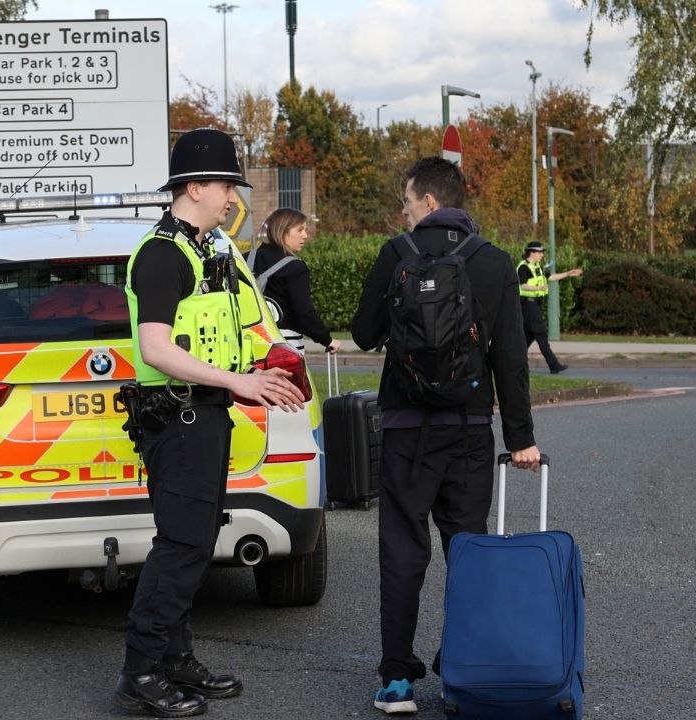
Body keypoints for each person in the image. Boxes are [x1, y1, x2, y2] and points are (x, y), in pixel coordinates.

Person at [115, 128, 307, 718]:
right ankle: (140, 672)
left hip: (203, 415)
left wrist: (261, 369)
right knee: (182, 547)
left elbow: (219, 338)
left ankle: (175, 659)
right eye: (226, 185)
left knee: (192, 543)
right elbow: (155, 348)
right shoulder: (161, 255)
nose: (232, 197)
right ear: (194, 187)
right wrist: (238, 383)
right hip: (179, 418)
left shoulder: (207, 251)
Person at [350, 156, 541, 715]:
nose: (403, 212)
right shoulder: (494, 261)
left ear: (429, 202)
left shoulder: (396, 253)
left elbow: (363, 334)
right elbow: (511, 358)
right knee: (468, 550)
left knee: (402, 550)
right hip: (468, 430)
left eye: (407, 202)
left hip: (406, 430)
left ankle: (396, 681)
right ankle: (463, 670)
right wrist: (521, 437)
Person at [249, 207, 341, 354]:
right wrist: (327, 339)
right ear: (282, 231)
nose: (305, 235)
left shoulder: (244, 258)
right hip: (283, 345)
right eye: (300, 230)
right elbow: (304, 312)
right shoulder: (295, 267)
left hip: (247, 343)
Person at [516, 242, 582, 374]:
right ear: (532, 253)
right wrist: (539, 288)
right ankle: (554, 365)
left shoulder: (537, 267)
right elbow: (523, 285)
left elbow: (551, 277)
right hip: (528, 305)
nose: (542, 255)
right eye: (540, 252)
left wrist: (568, 274)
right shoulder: (523, 267)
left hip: (534, 305)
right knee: (541, 333)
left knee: (528, 336)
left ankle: (517, 364)